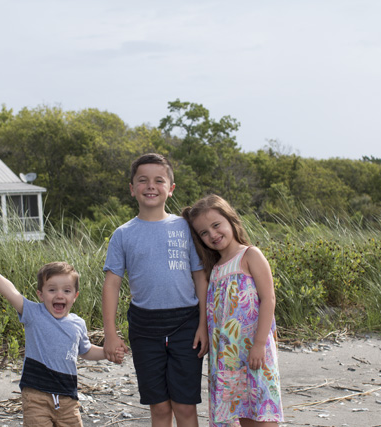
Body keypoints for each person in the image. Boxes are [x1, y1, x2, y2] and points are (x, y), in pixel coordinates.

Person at [102, 153, 209, 427]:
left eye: (159, 180)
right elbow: (112, 284)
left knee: (185, 407)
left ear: (170, 189)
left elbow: (200, 277)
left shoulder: (185, 228)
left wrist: (204, 324)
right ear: (132, 188)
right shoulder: (123, 234)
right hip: (144, 327)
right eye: (143, 180)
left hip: (186, 324)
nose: (151, 186)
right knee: (160, 408)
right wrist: (111, 334)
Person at [0, 254, 124, 427]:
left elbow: (85, 351)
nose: (59, 295)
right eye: (52, 290)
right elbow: (11, 292)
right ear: (40, 294)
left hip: (67, 399)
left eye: (66, 290)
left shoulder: (78, 323)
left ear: (75, 296)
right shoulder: (34, 314)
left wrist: (107, 353)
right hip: (36, 396)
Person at [182, 194, 284, 427]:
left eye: (216, 225)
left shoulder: (250, 255)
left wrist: (259, 344)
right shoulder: (214, 269)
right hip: (226, 357)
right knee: (239, 412)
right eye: (204, 233)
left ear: (231, 220)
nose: (212, 235)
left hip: (253, 350)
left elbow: (268, 299)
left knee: (261, 413)